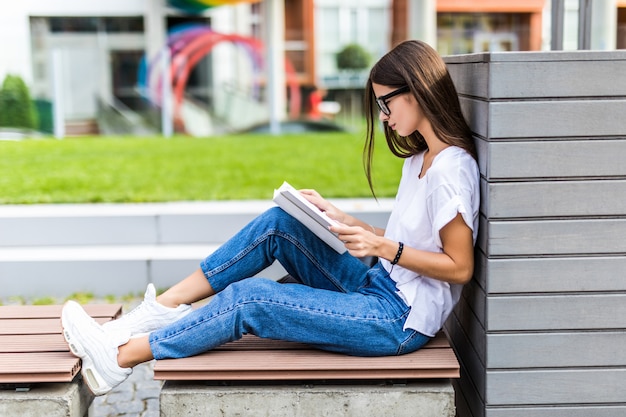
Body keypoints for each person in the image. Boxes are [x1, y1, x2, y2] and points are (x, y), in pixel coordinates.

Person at [61, 39, 480, 396]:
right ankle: (162, 307)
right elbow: (411, 241)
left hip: (397, 321)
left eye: (385, 103)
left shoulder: (450, 171)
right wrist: (344, 220)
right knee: (281, 223)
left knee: (251, 300)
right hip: (380, 283)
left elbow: (459, 267)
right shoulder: (421, 160)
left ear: (417, 91)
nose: (384, 116)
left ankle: (119, 358)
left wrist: (383, 246)